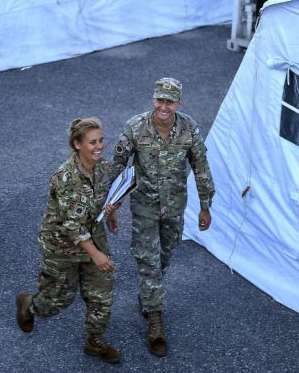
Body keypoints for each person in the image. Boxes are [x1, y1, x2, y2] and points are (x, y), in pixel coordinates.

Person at [106, 77, 214, 357]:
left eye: (170, 101)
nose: (164, 106)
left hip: (175, 206)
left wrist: (205, 205)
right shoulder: (135, 127)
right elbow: (118, 168)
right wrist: (111, 206)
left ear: (178, 102)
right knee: (148, 261)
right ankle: (155, 319)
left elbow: (201, 166)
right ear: (153, 100)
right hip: (144, 206)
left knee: (164, 256)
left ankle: (148, 296)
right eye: (159, 100)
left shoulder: (189, 129)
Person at [15, 118, 122, 365]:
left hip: (92, 238)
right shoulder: (65, 178)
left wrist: (112, 214)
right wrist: (97, 254)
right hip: (61, 246)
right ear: (77, 144)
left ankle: (94, 341)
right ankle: (28, 305)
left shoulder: (103, 168)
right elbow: (71, 226)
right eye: (92, 142)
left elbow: (106, 197)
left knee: (101, 294)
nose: (99, 146)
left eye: (101, 140)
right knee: (57, 300)